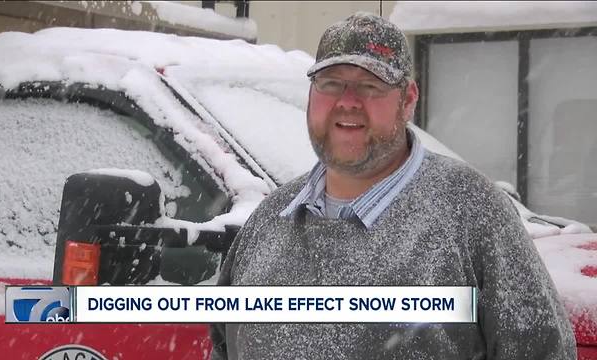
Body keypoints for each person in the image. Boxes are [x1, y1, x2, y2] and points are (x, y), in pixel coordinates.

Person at [211, 12, 576, 360]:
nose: (348, 102)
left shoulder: (471, 211)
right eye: (331, 83)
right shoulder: (267, 222)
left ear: (408, 100)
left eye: (371, 86)